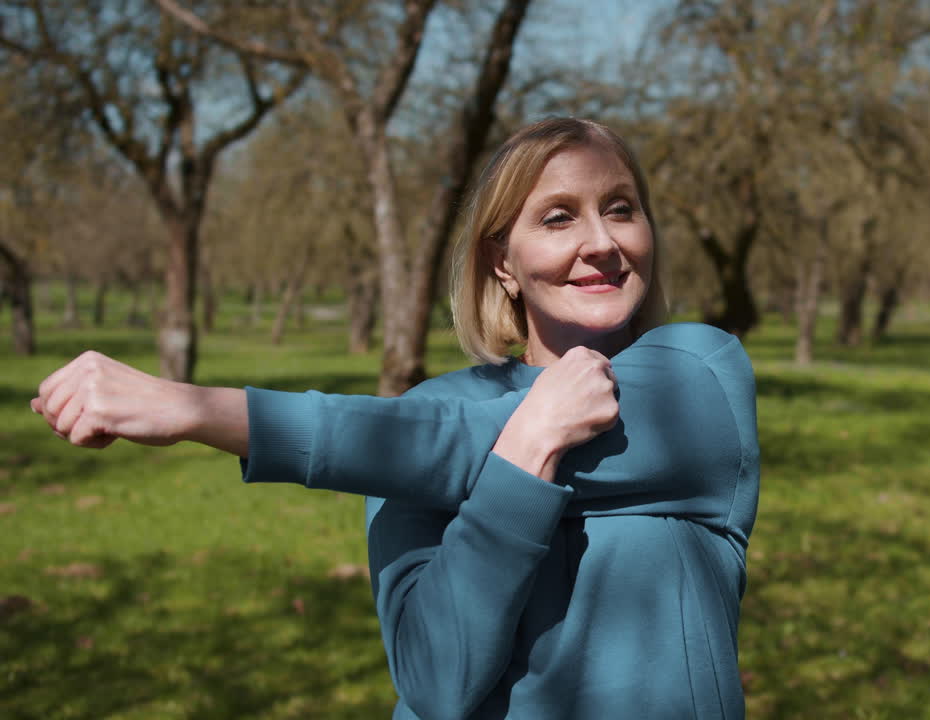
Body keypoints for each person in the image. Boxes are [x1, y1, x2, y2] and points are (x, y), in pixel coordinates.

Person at [31, 117, 759, 720]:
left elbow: (446, 447)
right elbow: (437, 683)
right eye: (558, 216)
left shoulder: (699, 376)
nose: (601, 241)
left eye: (621, 208)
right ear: (502, 262)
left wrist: (192, 409)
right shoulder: (423, 416)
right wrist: (527, 452)